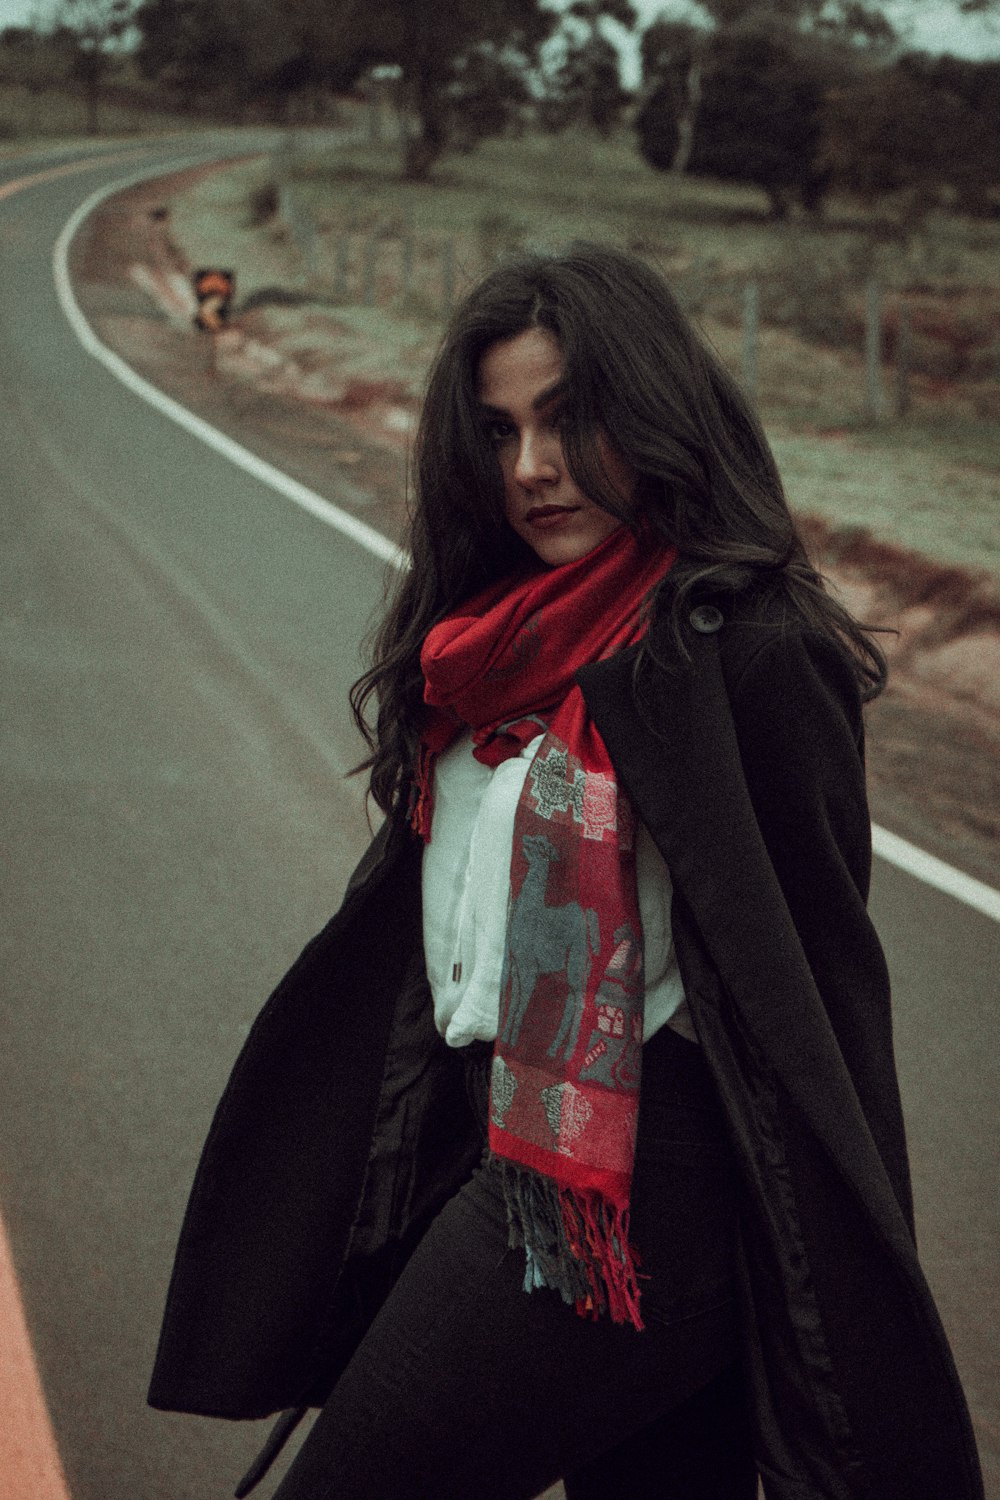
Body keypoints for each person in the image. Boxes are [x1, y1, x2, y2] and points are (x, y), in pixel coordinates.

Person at [148, 243, 983, 1500]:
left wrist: (834, 1291)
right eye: (497, 431)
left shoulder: (744, 650)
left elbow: (816, 992)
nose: (530, 468)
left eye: (567, 419)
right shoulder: (489, 647)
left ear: (649, 411)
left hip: (643, 1189)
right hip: (514, 1143)